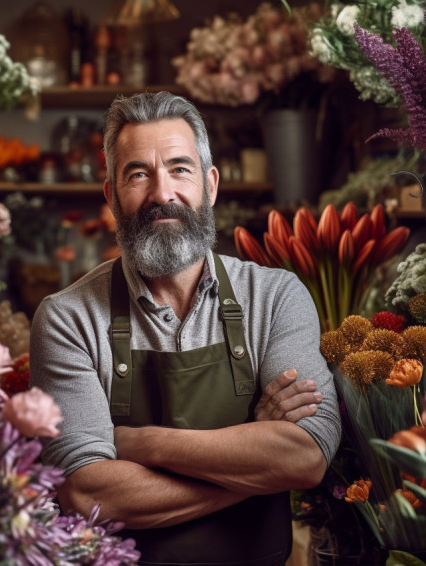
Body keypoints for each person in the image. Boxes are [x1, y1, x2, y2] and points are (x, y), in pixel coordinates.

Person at [30, 91, 340, 565]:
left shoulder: (277, 297)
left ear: (210, 185)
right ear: (112, 194)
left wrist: (139, 442)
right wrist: (255, 466)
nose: (162, 194)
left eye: (180, 168)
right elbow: (89, 495)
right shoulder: (67, 318)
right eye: (138, 174)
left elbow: (305, 456)